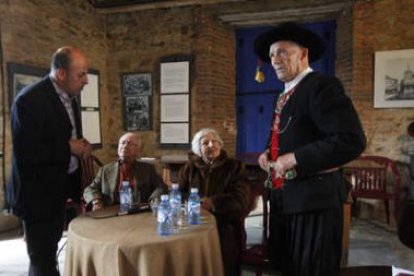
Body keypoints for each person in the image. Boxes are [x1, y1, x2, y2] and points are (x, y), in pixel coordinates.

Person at [254, 22, 366, 276]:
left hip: (314, 201)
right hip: (284, 200)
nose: (275, 60)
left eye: (282, 52)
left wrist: (295, 158)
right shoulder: (282, 95)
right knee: (285, 267)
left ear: (303, 54)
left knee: (311, 270)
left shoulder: (321, 86)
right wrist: (267, 153)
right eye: (272, 55)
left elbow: (350, 139)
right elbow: (287, 134)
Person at [7, 46, 93, 276]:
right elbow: (27, 154)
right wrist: (69, 148)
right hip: (37, 196)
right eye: (81, 75)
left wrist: (80, 146)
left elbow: (61, 135)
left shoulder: (70, 98)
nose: (86, 81)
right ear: (62, 74)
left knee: (51, 254)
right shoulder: (29, 100)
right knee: (42, 261)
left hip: (59, 191)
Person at [177, 128, 250, 276]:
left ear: (220, 144)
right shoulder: (190, 168)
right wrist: (192, 203)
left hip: (224, 225)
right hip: (194, 224)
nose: (211, 145)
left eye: (214, 141)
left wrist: (213, 203)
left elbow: (241, 200)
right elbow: (178, 194)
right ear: (198, 149)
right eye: (205, 143)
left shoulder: (234, 167)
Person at [83, 132, 166, 211]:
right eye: (122, 143)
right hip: (111, 210)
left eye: (129, 144)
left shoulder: (147, 169)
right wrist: (96, 201)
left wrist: (155, 199)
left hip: (138, 210)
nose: (125, 146)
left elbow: (161, 186)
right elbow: (90, 189)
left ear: (137, 150)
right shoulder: (106, 170)